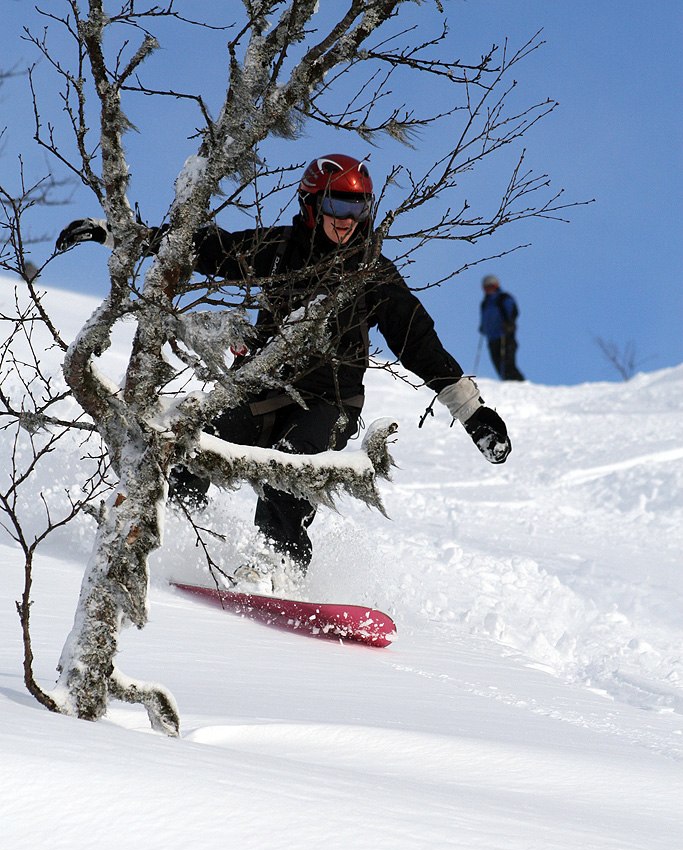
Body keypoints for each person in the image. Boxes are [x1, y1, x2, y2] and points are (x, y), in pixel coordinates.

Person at [56, 153, 511, 591]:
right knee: (196, 443)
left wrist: (473, 413)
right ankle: (157, 535)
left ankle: (277, 568)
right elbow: (204, 249)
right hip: (260, 386)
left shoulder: (373, 275)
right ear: (312, 204)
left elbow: (420, 344)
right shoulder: (278, 251)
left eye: (358, 207)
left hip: (330, 401)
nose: (347, 218)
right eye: (336, 204)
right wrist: (111, 233)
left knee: (291, 462)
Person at [479, 274, 525, 381]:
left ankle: (520, 384)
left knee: (507, 364)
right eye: (487, 287)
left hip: (505, 336)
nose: (489, 289)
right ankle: (509, 383)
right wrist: (483, 327)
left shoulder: (503, 298)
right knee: (499, 365)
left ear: (496, 286)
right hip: (492, 338)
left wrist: (509, 324)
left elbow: (513, 311)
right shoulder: (485, 303)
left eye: (492, 286)